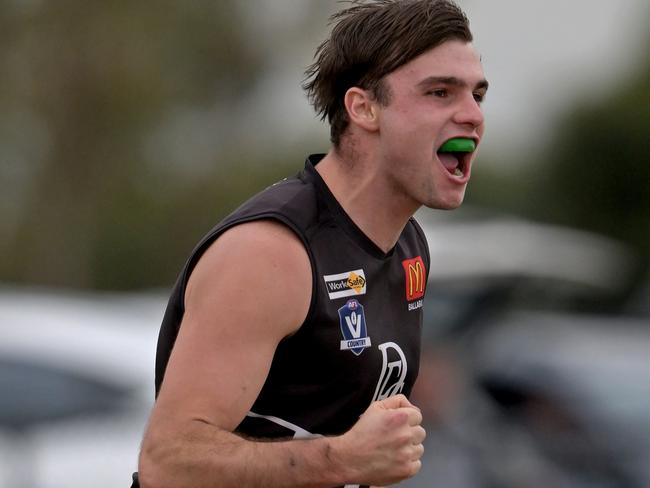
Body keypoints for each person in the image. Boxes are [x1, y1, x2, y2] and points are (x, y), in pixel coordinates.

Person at [134, 0, 487, 486]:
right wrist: (341, 459)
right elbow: (168, 461)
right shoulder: (272, 251)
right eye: (440, 92)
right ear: (363, 107)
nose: (471, 115)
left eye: (477, 95)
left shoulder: (408, 245)